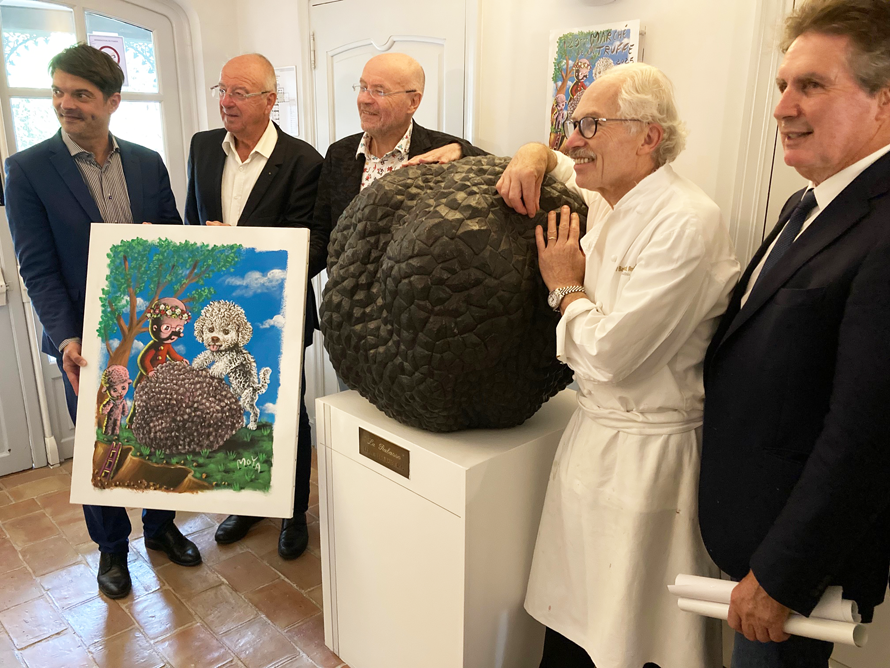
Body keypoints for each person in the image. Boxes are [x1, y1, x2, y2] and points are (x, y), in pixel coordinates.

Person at [496, 63, 739, 668]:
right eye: (572, 124)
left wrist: (564, 288)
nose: (572, 141)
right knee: (576, 623)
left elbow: (611, 358)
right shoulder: (606, 195)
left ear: (648, 136)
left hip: (649, 458)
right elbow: (547, 161)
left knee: (636, 634)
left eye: (589, 125)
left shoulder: (685, 221)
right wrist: (530, 153)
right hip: (593, 440)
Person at [699, 1, 890, 666]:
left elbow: (866, 435)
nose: (782, 107)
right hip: (750, 538)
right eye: (783, 86)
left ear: (884, 101)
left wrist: (782, 574)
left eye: (811, 85)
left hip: (799, 576)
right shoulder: (807, 201)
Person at [5, 43, 199, 599]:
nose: (65, 104)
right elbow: (36, 267)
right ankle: (112, 551)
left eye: (81, 95)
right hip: (85, 341)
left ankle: (162, 528)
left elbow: (172, 233)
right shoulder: (26, 169)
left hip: (148, 327)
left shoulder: (145, 160)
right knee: (104, 447)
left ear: (113, 101)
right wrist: (67, 338)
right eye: (58, 92)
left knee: (160, 433)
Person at [184, 53, 323, 560]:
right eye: (221, 89)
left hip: (277, 316)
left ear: (270, 100)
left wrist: (237, 246)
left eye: (239, 93)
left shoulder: (305, 161)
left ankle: (292, 512)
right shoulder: (202, 147)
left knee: (285, 411)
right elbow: (190, 225)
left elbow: (315, 244)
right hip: (218, 316)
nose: (226, 101)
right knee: (229, 407)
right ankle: (247, 501)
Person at [312, 52, 486, 235]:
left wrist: (462, 150)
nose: (364, 99)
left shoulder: (443, 151)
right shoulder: (339, 153)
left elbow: (495, 171)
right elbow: (322, 235)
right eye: (363, 88)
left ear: (413, 102)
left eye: (379, 91)